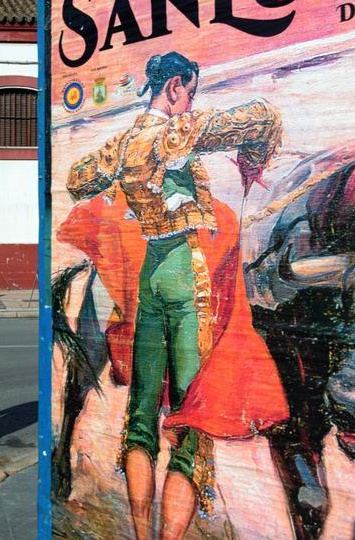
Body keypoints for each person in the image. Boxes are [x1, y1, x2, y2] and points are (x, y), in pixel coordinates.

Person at [64, 51, 290, 539]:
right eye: (190, 93)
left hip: (151, 278)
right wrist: (253, 156)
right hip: (188, 285)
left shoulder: (125, 144)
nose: (191, 104)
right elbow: (260, 117)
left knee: (141, 417)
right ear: (175, 87)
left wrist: (125, 167)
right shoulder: (177, 132)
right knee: (190, 425)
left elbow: (78, 178)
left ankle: (142, 536)